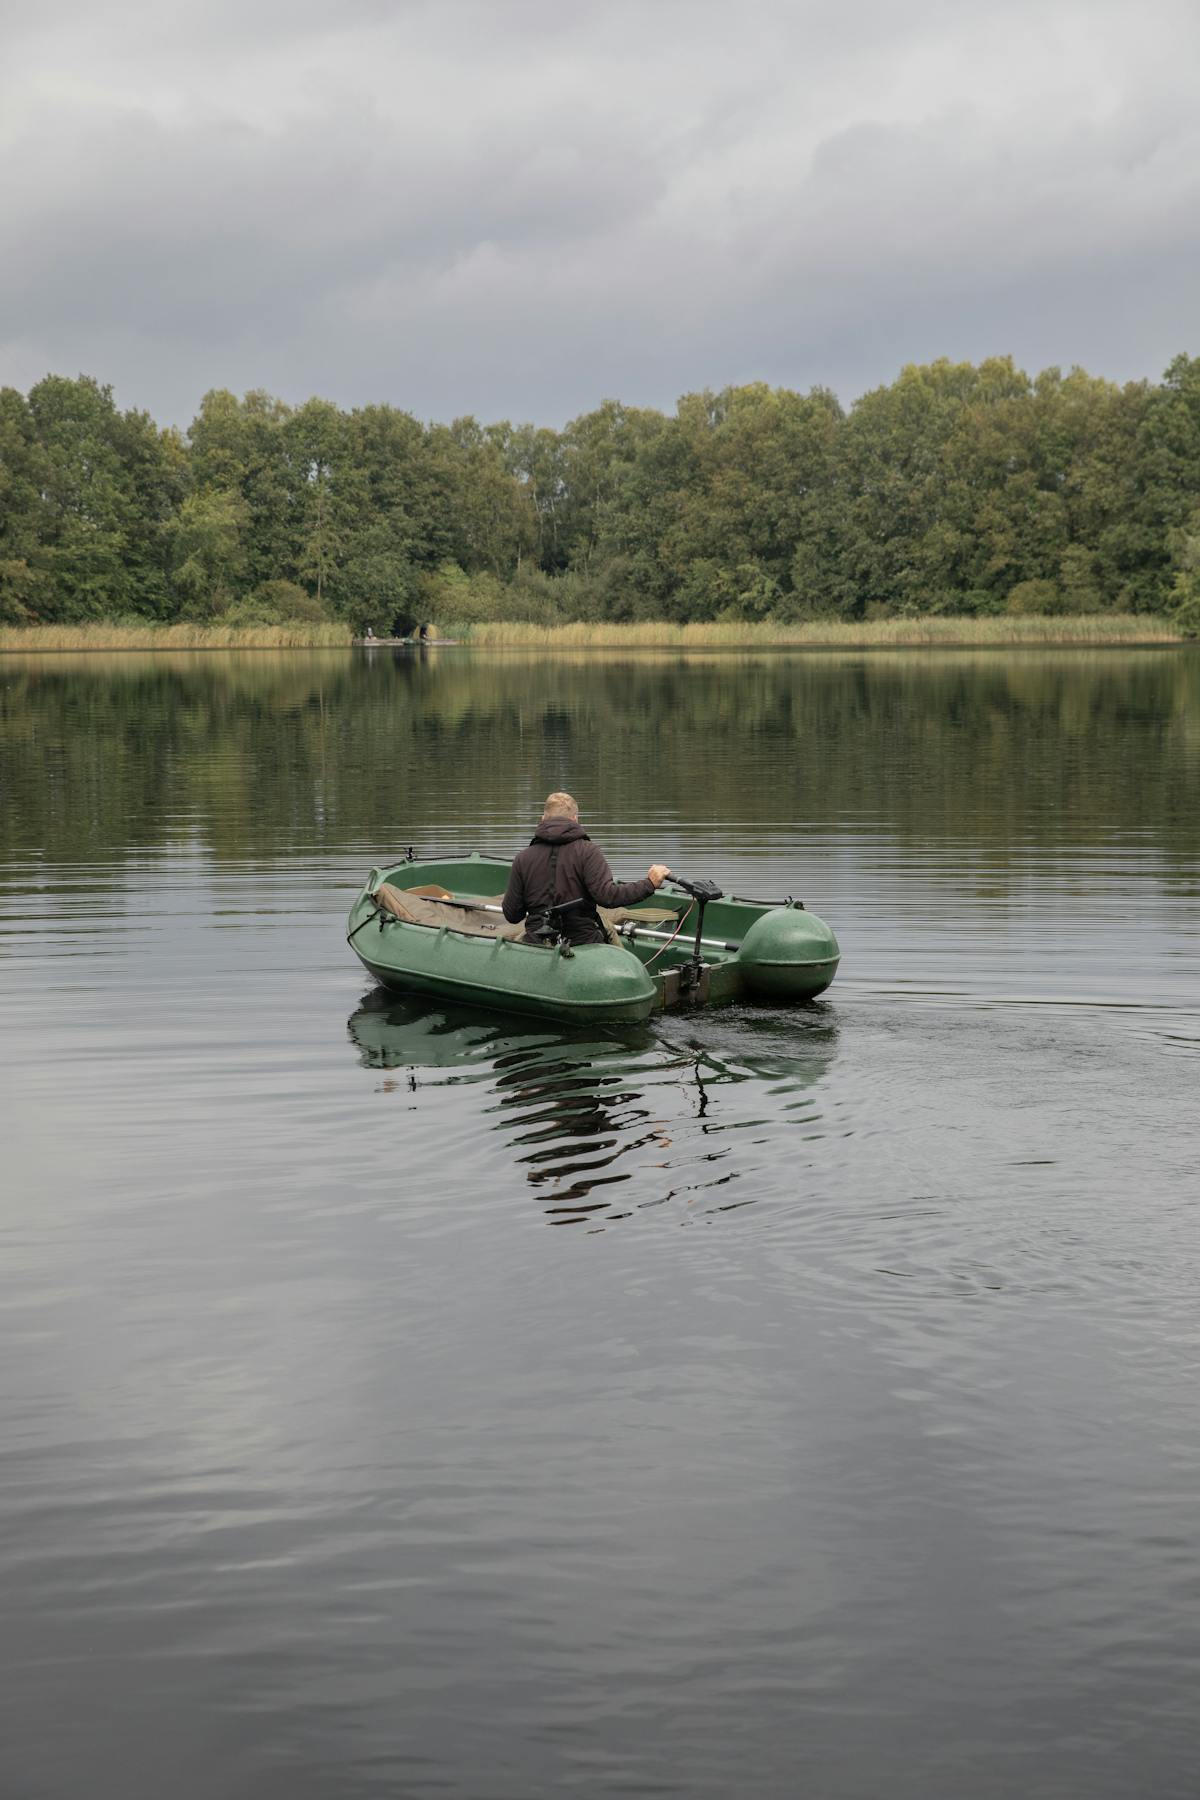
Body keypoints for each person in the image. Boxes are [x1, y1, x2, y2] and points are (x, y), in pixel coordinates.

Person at [502, 792, 671, 947]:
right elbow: (608, 897)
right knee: (607, 928)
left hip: (537, 941)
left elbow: (512, 914)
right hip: (583, 942)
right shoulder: (588, 852)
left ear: (542, 819)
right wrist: (649, 884)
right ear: (575, 819)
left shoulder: (523, 858)